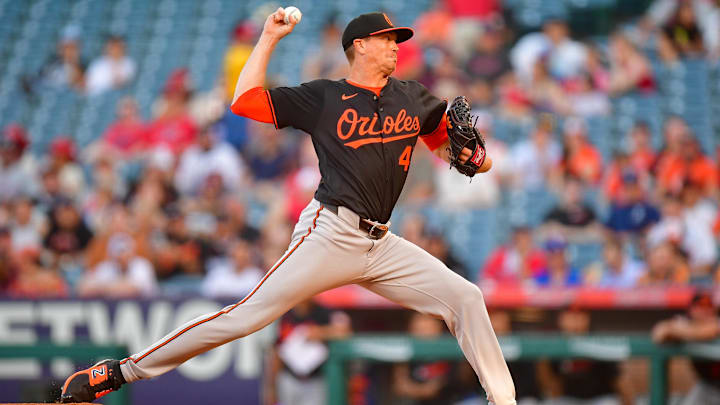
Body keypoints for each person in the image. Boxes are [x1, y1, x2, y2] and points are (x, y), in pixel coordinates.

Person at [60, 9, 515, 405]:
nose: (396, 46)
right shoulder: (324, 97)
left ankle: (503, 400)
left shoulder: (412, 96)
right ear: (360, 45)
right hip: (331, 233)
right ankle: (119, 372)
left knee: (466, 297)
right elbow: (245, 101)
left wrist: (474, 156)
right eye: (387, 39)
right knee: (244, 316)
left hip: (383, 243)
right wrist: (269, 38)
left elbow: (450, 146)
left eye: (397, 40)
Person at [263, 299, 351, 405]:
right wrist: (271, 388)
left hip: (315, 379)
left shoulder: (323, 312)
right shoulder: (284, 314)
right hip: (289, 378)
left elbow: (345, 332)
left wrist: (321, 332)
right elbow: (276, 352)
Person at [652, 291, 720, 405]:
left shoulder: (714, 323)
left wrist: (678, 329)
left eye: (710, 306)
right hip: (708, 386)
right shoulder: (687, 326)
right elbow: (658, 333)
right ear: (692, 310)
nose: (707, 310)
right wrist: (679, 329)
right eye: (702, 306)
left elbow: (710, 331)